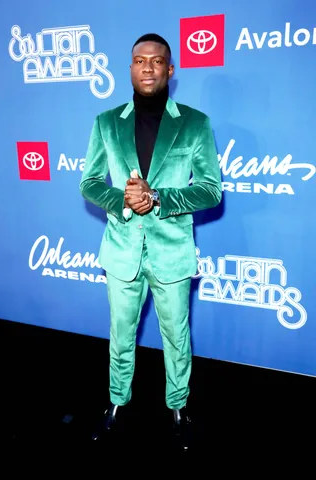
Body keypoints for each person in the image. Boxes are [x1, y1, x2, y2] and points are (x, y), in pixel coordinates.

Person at [80, 33, 222, 450]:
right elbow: (88, 182)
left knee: (177, 337)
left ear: (170, 69)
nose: (147, 67)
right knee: (120, 336)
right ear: (129, 69)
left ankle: (178, 408)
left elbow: (211, 190)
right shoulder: (106, 123)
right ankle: (116, 404)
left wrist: (158, 197)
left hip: (172, 252)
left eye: (156, 61)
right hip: (122, 250)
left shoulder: (195, 124)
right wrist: (122, 200)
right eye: (139, 60)